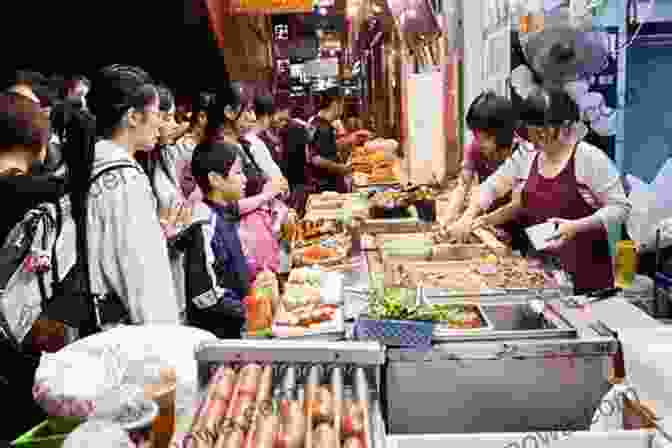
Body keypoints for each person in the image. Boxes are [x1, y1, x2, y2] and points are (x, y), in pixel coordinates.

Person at [469, 87, 630, 293]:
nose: (539, 139)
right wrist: (473, 215)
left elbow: (620, 208)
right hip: (544, 276)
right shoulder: (527, 157)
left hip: (588, 280)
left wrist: (576, 226)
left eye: (546, 131)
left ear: (567, 126)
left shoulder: (588, 158)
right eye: (534, 132)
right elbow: (492, 187)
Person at [85, 64, 180, 323]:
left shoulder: (89, 163)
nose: (160, 124)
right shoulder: (124, 179)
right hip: (125, 337)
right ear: (133, 117)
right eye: (156, 114)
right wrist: (165, 348)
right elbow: (143, 277)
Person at [205, 84, 288, 279]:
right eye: (248, 110)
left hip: (262, 241)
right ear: (228, 112)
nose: (253, 117)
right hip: (242, 249)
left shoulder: (243, 144)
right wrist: (266, 194)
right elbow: (226, 207)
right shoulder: (217, 151)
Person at [445, 92, 530, 249]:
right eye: (476, 136)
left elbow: (517, 205)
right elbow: (488, 188)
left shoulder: (526, 153)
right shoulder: (514, 159)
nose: (478, 142)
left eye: (483, 137)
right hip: (497, 227)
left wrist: (479, 221)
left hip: (531, 232)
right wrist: (457, 218)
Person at [186, 140, 251, 338]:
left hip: (237, 328)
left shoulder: (222, 214)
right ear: (215, 179)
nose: (245, 179)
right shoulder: (205, 223)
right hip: (220, 337)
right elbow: (204, 294)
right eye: (238, 173)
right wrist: (248, 311)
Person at [307, 87, 352, 194]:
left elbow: (326, 147)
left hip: (327, 184)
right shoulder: (322, 127)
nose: (343, 108)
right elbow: (315, 158)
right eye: (342, 104)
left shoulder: (316, 122)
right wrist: (340, 168)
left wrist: (350, 140)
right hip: (327, 187)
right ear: (335, 104)